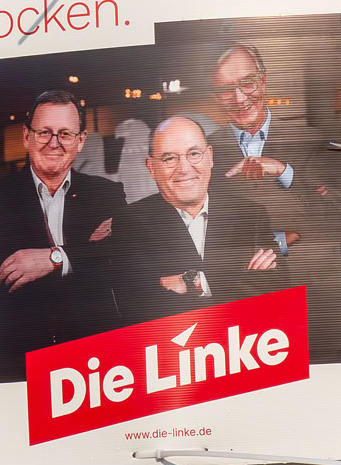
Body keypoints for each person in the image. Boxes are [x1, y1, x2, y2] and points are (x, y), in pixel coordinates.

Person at [207, 41, 341, 363]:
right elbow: (203, 232)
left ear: (263, 80)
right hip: (243, 325)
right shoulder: (203, 152)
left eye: (247, 83)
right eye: (226, 90)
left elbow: (340, 219)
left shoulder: (312, 140)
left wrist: (284, 170)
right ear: (215, 96)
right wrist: (285, 237)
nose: (240, 98)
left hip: (316, 310)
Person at [0, 89, 121, 383]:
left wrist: (54, 258)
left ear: (81, 141)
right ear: (26, 137)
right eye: (44, 132)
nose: (54, 143)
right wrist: (86, 253)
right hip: (17, 364)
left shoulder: (108, 194)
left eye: (65, 134)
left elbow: (120, 264)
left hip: (96, 364)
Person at [101, 115, 283, 327]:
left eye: (194, 154)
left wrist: (194, 281)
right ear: (151, 167)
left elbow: (277, 292)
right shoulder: (129, 221)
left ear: (210, 157)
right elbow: (136, 306)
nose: (184, 168)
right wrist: (242, 278)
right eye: (170, 158)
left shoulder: (250, 213)